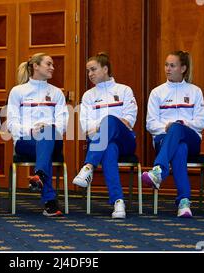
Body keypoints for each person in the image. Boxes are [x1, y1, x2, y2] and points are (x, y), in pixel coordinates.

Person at [142, 50, 204, 218]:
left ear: (183, 68)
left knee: (178, 130)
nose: (168, 69)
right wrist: (168, 128)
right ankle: (184, 201)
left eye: (172, 66)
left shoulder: (195, 91)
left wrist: (181, 125)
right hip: (164, 139)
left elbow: (201, 122)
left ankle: (158, 171)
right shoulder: (157, 92)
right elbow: (150, 123)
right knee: (179, 149)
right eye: (166, 65)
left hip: (191, 138)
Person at [72, 52, 137, 219]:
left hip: (125, 141)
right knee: (108, 149)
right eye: (88, 71)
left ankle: (88, 167)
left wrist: (105, 125)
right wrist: (105, 127)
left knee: (109, 121)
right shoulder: (88, 96)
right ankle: (118, 202)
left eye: (93, 69)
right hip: (102, 143)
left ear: (105, 69)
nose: (90, 74)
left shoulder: (124, 90)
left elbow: (129, 120)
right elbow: (86, 126)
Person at [6, 53, 69, 217]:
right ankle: (48, 196)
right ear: (36, 66)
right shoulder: (17, 91)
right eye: (49, 64)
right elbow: (11, 122)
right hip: (25, 142)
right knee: (43, 144)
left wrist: (48, 127)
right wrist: (30, 131)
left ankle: (40, 177)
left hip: (53, 141)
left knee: (47, 134)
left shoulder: (56, 93)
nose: (52, 68)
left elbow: (62, 123)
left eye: (52, 65)